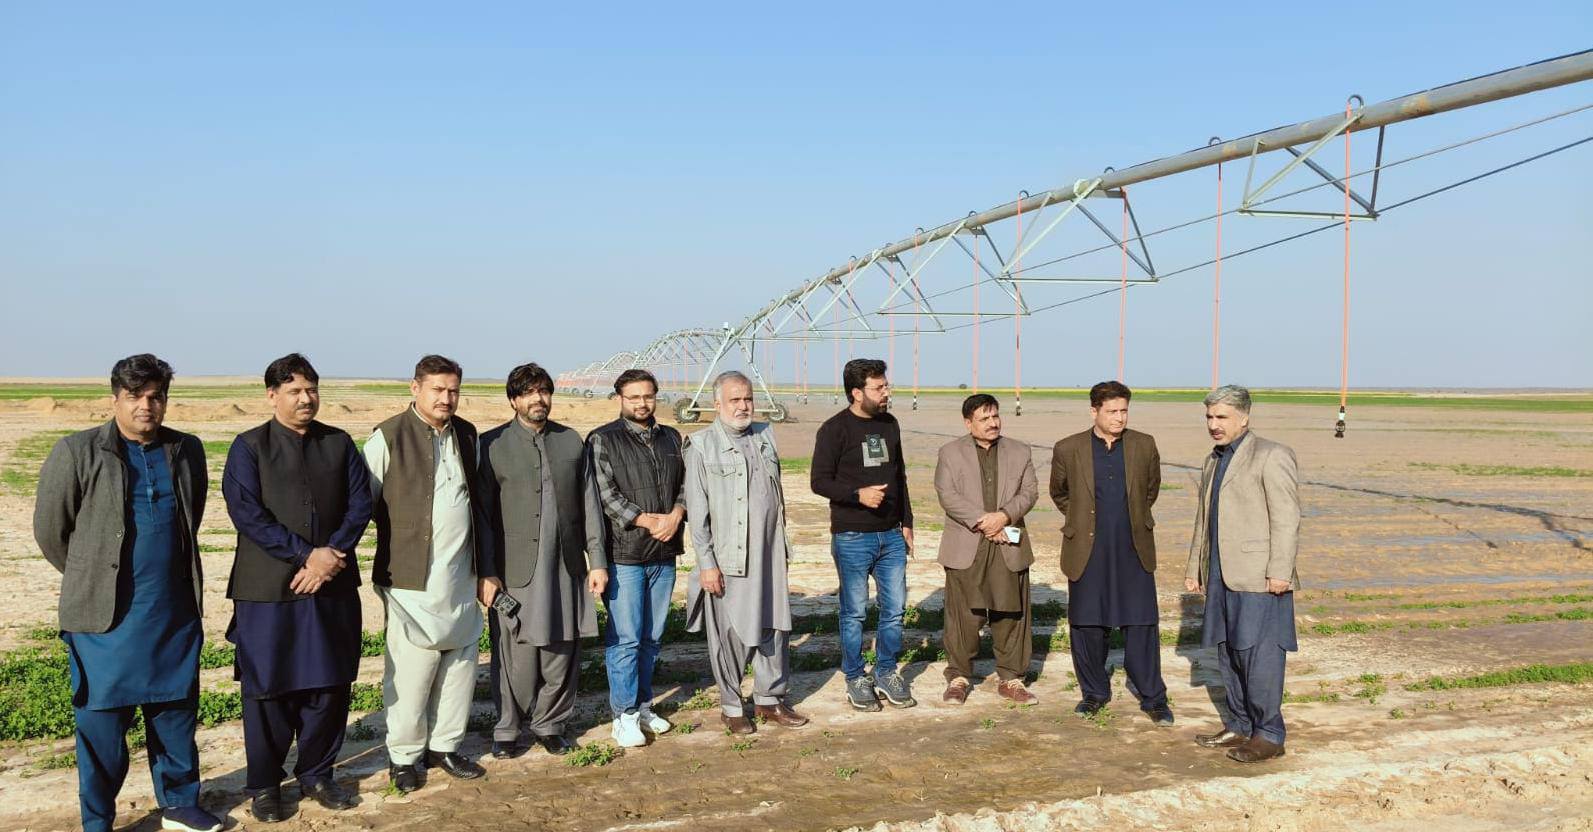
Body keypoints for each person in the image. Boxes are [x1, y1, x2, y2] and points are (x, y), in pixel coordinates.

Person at [33, 354, 223, 832]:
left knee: (175, 714)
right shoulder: (76, 451)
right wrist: (91, 576)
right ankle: (97, 820)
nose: (146, 406)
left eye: (155, 396)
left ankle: (179, 804)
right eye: (135, 396)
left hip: (172, 613)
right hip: (103, 623)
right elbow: (50, 532)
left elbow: (189, 517)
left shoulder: (186, 450)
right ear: (114, 398)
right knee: (101, 727)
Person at [221, 353, 372, 821]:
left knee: (330, 683)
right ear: (272, 396)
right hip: (269, 589)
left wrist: (330, 558)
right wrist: (306, 554)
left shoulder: (339, 443)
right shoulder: (249, 447)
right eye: (294, 391)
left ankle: (317, 774)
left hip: (332, 586)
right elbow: (247, 513)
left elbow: (360, 503)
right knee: (269, 690)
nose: (305, 399)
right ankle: (266, 785)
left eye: (311, 389)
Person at [364, 355, 486, 792]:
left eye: (452, 390)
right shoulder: (388, 438)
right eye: (437, 389)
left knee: (459, 668)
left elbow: (480, 508)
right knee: (411, 674)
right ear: (415, 388)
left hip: (461, 577)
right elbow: (363, 503)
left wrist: (486, 571)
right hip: (408, 580)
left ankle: (446, 746)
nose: (446, 398)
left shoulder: (467, 435)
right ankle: (404, 756)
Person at [477, 362, 608, 757]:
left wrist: (597, 560)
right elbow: (481, 516)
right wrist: (486, 572)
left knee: (561, 650)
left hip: (566, 567)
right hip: (514, 570)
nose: (539, 399)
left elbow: (590, 505)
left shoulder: (571, 441)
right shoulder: (491, 445)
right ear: (514, 399)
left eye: (544, 391)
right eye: (529, 393)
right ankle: (507, 729)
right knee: (514, 653)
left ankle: (551, 724)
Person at [684, 371, 808, 735]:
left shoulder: (765, 435)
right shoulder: (701, 445)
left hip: (770, 555)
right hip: (729, 559)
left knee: (775, 627)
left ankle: (770, 700)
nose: (743, 406)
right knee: (731, 633)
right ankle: (732, 706)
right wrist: (707, 564)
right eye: (735, 400)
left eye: (747, 399)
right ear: (717, 404)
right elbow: (698, 513)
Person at [1184, 385, 1301, 763]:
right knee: (1227, 651)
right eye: (1209, 417)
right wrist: (1195, 569)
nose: (1213, 425)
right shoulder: (1213, 460)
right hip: (1220, 573)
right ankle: (1239, 724)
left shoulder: (1272, 455)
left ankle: (1268, 735)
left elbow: (1287, 518)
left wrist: (1280, 572)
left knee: (1260, 656)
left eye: (1221, 417)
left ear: (1244, 417)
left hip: (1260, 577)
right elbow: (1205, 519)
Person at [1048, 381, 1173, 725]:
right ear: (1094, 412)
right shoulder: (1068, 448)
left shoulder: (1143, 445)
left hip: (1133, 548)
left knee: (1141, 623)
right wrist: (1082, 519)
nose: (1119, 418)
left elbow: (1150, 490)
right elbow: (1060, 494)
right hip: (1086, 549)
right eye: (1112, 411)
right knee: (1087, 623)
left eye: (1124, 411)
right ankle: (1094, 694)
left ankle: (1153, 698)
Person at [585, 369, 686, 748]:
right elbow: (605, 495)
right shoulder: (602, 439)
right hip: (625, 553)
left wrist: (675, 516)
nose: (642, 403)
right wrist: (645, 520)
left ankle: (644, 705)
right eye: (634, 397)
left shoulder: (672, 438)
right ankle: (623, 715)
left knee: (652, 637)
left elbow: (687, 485)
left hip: (664, 552)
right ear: (620, 399)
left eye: (648, 396)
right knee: (626, 638)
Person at [810, 358, 916, 711]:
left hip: (891, 536)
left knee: (895, 609)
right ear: (857, 393)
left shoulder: (890, 424)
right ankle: (855, 676)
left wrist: (907, 522)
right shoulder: (834, 429)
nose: (887, 392)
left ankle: (886, 671)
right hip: (853, 536)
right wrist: (858, 495)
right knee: (854, 611)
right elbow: (819, 481)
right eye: (879, 387)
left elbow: (900, 475)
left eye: (886, 385)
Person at [932, 394, 1039, 705]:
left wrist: (1003, 516)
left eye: (995, 416)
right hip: (968, 541)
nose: (993, 423)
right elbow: (947, 495)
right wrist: (984, 522)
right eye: (984, 418)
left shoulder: (1020, 451)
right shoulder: (950, 452)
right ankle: (959, 677)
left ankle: (1012, 678)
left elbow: (1030, 492)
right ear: (968, 423)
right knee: (964, 613)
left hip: (1010, 539)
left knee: (1011, 612)